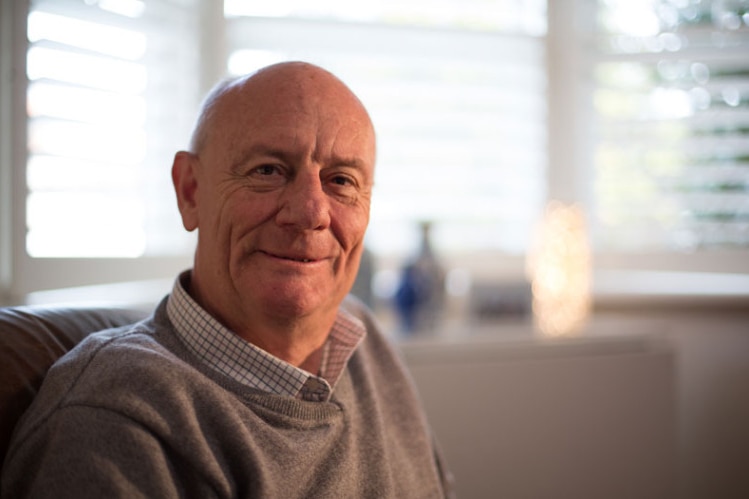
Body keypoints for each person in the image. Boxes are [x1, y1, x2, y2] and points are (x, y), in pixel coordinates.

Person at [1, 62, 453, 498]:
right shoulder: (114, 419)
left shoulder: (363, 338)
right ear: (190, 192)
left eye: (340, 180)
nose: (311, 213)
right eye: (268, 171)